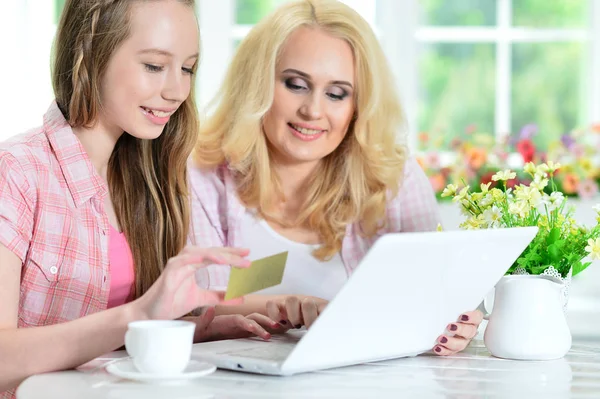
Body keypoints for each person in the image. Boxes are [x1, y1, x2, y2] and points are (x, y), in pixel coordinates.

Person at [0, 1, 277, 396]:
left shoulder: (150, 180)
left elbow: (112, 348)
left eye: (187, 69)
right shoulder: (15, 173)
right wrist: (138, 316)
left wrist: (195, 331)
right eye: (154, 66)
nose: (177, 91)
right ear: (90, 50)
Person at [189, 0, 483, 357]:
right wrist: (287, 305)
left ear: (358, 105)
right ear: (257, 85)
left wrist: (458, 320)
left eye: (336, 93)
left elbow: (437, 291)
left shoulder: (394, 177)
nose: (313, 111)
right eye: (296, 84)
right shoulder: (204, 176)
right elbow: (197, 305)